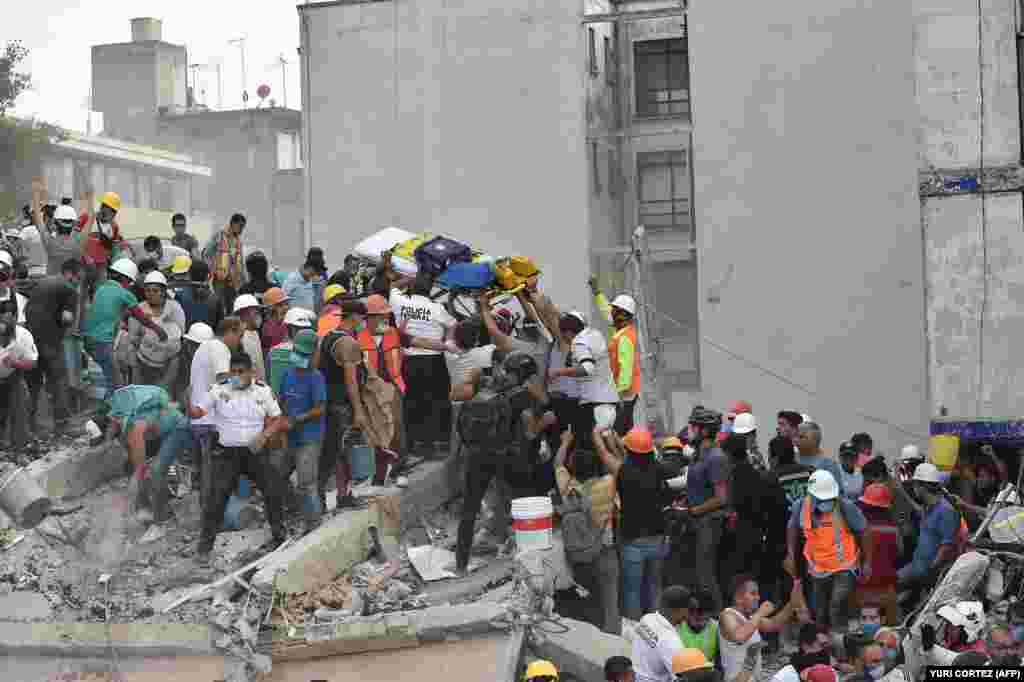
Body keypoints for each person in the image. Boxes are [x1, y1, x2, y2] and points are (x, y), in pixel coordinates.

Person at [193, 351, 288, 566]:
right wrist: (189, 405)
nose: (236, 376)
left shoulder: (262, 391)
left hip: (255, 451)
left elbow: (277, 418)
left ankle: (279, 536)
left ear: (251, 372)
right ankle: (204, 549)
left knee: (273, 489)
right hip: (227, 454)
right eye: (233, 372)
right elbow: (198, 411)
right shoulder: (220, 390)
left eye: (241, 372)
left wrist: (265, 435)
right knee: (216, 499)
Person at [454, 352, 545, 575]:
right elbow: (530, 431)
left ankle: (461, 566)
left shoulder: (486, 387)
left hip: (477, 456)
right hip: (506, 456)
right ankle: (533, 556)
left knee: (469, 510)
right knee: (526, 502)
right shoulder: (522, 396)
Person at [92, 384, 192, 542]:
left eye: (108, 437)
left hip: (176, 428)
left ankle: (162, 522)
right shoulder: (120, 410)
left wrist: (131, 493)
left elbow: (140, 466)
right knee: (156, 469)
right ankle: (161, 501)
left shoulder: (132, 424)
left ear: (110, 428)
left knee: (154, 472)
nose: (110, 441)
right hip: (164, 426)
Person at [599, 427, 671, 620]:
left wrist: (597, 434)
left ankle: (635, 631)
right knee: (655, 587)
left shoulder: (624, 471)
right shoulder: (659, 469)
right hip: (658, 538)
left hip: (633, 541)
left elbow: (604, 454)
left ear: (629, 451)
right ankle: (656, 628)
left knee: (632, 591)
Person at [554, 429, 619, 635]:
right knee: (610, 602)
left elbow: (557, 464)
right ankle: (613, 639)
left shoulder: (568, 489)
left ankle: (593, 635)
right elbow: (620, 465)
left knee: (588, 598)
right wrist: (608, 441)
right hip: (604, 551)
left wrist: (565, 442)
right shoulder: (607, 485)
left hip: (578, 557)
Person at [786, 471, 867, 632]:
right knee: (820, 610)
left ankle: (840, 643)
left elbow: (865, 530)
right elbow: (792, 527)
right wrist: (790, 553)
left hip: (844, 566)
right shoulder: (801, 507)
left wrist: (868, 562)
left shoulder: (845, 507)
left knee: (836, 607)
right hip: (818, 568)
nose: (827, 502)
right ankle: (823, 643)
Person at [390, 272, 453, 460]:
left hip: (408, 360)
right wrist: (446, 340)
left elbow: (391, 287)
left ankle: (411, 443)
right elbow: (453, 325)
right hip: (433, 361)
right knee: (435, 402)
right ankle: (431, 444)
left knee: (411, 401)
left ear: (411, 286)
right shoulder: (437, 308)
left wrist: (410, 276)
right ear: (430, 290)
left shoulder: (398, 302)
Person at [83, 259, 167, 396]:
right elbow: (142, 319)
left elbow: (109, 311)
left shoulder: (101, 288)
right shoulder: (125, 294)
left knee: (108, 377)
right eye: (129, 283)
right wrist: (159, 330)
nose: (129, 286)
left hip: (88, 340)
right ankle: (109, 413)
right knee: (117, 384)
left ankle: (105, 407)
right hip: (102, 342)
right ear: (125, 279)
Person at [316, 300, 369, 511]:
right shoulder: (349, 344)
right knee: (340, 454)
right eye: (363, 319)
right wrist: (358, 411)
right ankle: (340, 497)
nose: (363, 323)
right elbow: (351, 381)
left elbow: (317, 367)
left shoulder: (328, 337)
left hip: (327, 402)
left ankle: (328, 498)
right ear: (355, 317)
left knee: (332, 452)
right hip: (341, 406)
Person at [188, 317, 245, 510]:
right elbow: (224, 380)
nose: (240, 341)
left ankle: (210, 513)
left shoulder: (204, 349)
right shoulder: (219, 349)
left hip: (200, 420)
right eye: (239, 335)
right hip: (210, 421)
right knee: (213, 473)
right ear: (230, 331)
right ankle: (212, 517)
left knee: (207, 472)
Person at [24, 258, 81, 434]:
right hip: (50, 341)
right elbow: (67, 318)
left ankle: (29, 424)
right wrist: (66, 330)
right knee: (59, 380)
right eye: (79, 277)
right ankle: (63, 423)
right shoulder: (69, 289)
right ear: (70, 273)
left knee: (33, 383)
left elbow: (28, 308)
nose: (79, 281)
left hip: (31, 340)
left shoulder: (43, 282)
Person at [549, 309, 618, 452]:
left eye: (563, 335)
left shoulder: (578, 343)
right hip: (610, 402)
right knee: (610, 448)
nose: (565, 339)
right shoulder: (595, 335)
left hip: (594, 405)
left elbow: (587, 368)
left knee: (594, 449)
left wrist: (559, 372)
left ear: (568, 332)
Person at [278, 330, 326, 533]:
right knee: (278, 475)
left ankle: (314, 524)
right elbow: (281, 398)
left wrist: (300, 418)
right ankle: (296, 513)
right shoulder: (287, 374)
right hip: (290, 435)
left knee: (307, 482)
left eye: (305, 354)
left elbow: (320, 407)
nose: (300, 357)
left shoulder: (315, 378)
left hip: (309, 437)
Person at [686, 407, 730, 614]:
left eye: (693, 426)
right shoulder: (698, 455)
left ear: (704, 431)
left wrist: (694, 510)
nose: (690, 430)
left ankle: (717, 617)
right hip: (698, 520)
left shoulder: (716, 457)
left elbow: (721, 498)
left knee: (707, 575)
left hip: (709, 522)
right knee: (698, 573)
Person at [896, 462, 962, 599]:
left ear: (921, 486)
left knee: (890, 586)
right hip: (916, 566)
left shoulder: (946, 511)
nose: (913, 488)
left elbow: (946, 547)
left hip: (926, 573)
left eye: (914, 485)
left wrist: (929, 574)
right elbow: (920, 513)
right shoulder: (929, 507)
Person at [719, 575, 800, 682]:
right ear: (738, 598)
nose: (758, 597)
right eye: (753, 593)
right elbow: (739, 636)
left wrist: (792, 602)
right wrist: (760, 613)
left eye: (758, 593)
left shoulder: (751, 618)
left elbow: (774, 624)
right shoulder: (727, 615)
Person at [590, 278, 640, 435]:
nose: (611, 312)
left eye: (615, 310)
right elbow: (607, 312)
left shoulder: (624, 338)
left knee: (619, 435)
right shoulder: (621, 331)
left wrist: (613, 394)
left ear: (623, 315)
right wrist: (597, 292)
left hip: (623, 398)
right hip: (622, 396)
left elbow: (626, 371)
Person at [122, 270, 185, 391]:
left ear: (163, 292)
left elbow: (180, 334)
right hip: (143, 363)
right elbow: (133, 339)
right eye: (147, 290)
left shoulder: (174, 308)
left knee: (162, 396)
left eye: (155, 290)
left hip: (168, 364)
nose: (151, 294)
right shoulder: (139, 309)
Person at [852, 485, 901, 626]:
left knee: (860, 628)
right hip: (887, 588)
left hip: (861, 588)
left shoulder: (857, 531)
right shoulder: (893, 530)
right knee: (890, 628)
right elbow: (899, 552)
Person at [632, 585, 689, 682]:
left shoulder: (646, 619)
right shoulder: (671, 641)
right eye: (688, 609)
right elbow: (683, 678)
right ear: (680, 609)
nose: (688, 614)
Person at [0, 311, 38, 448]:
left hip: (13, 374)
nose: (3, 342)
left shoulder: (24, 336)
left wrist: (16, 363)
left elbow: (33, 363)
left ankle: (20, 444)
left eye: (5, 338)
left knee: (20, 404)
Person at [202, 213, 247, 314]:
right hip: (220, 280)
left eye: (243, 227)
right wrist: (212, 270)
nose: (241, 230)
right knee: (220, 306)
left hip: (233, 281)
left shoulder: (238, 241)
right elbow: (206, 254)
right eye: (240, 226)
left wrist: (244, 280)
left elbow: (241, 262)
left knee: (232, 308)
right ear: (233, 224)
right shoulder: (219, 236)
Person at [768, 624, 833, 682]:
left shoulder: (831, 674)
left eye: (827, 646)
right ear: (805, 646)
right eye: (822, 645)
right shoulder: (784, 677)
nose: (824, 651)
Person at [677, 589, 721, 668]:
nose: (695, 614)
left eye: (701, 610)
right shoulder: (676, 627)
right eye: (691, 610)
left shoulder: (717, 628)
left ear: (709, 612)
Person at [175, 260, 222, 331]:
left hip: (186, 339)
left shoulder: (179, 296)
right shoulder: (216, 299)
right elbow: (219, 326)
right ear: (207, 276)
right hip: (209, 339)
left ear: (189, 275)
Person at [174, 322, 214, 404]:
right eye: (194, 345)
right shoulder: (177, 362)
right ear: (187, 343)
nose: (197, 349)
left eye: (200, 346)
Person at [796, 422, 844, 487]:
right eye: (796, 436)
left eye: (801, 437)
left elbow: (837, 491)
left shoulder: (828, 464)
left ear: (815, 440)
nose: (796, 440)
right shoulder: (789, 459)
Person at [233, 294, 266, 381]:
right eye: (255, 312)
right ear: (244, 314)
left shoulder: (255, 333)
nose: (258, 315)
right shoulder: (242, 338)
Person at [261, 287, 291, 353]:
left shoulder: (289, 323)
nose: (285, 307)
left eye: (286, 304)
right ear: (271, 308)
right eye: (280, 305)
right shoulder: (268, 328)